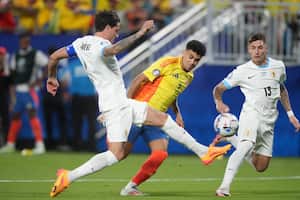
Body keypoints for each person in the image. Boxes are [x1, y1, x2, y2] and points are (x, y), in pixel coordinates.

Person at [47, 10, 231, 198]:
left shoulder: (80, 43)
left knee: (162, 119)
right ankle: (69, 176)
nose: (116, 34)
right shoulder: (102, 44)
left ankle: (203, 153)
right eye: (116, 30)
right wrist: (141, 33)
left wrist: (52, 77)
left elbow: (54, 57)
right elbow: (113, 50)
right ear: (108, 27)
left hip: (119, 103)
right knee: (115, 155)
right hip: (116, 106)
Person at [212, 33, 300, 197]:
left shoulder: (278, 66)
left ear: (266, 47)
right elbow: (218, 89)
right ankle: (224, 187)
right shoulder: (242, 71)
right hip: (251, 114)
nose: (257, 51)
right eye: (253, 48)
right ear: (248, 50)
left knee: (261, 166)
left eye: (260, 47)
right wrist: (219, 102)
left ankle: (231, 137)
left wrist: (290, 114)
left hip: (269, 120)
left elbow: (281, 89)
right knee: (246, 145)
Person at [119, 40, 207, 196]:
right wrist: (126, 106)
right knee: (119, 155)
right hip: (138, 113)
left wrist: (177, 112)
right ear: (184, 52)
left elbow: (172, 94)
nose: (192, 62)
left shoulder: (189, 77)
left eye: (197, 60)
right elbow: (139, 79)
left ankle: (130, 187)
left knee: (160, 154)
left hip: (157, 120)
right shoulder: (167, 63)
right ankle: (74, 175)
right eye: (190, 57)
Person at [0, 32, 48, 155]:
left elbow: (48, 64)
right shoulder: (15, 55)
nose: (24, 43)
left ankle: (40, 144)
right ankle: (10, 144)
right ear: (20, 41)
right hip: (19, 91)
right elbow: (12, 75)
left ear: (29, 41)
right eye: (22, 40)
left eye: (26, 40)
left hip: (30, 90)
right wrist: (13, 94)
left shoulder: (35, 54)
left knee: (32, 114)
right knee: (15, 115)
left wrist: (39, 80)